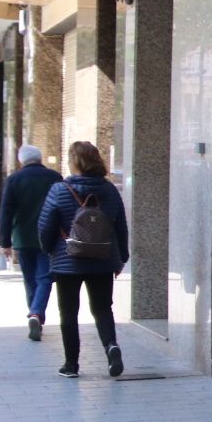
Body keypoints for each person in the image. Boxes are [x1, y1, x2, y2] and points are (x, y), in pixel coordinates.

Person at [36, 141, 129, 379]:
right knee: (102, 308)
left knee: (68, 312)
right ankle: (111, 346)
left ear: (74, 162)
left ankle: (71, 364)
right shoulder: (109, 190)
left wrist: (49, 250)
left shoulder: (59, 189)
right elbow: (120, 226)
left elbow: (45, 226)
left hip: (68, 261)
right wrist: (121, 257)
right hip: (102, 259)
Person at [0, 144, 64, 340]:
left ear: (21, 160)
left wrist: (5, 243)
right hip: (49, 237)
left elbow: (6, 213)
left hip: (23, 238)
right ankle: (36, 312)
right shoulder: (54, 178)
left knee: (29, 279)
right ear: (40, 158)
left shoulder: (14, 180)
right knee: (45, 278)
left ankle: (35, 313)